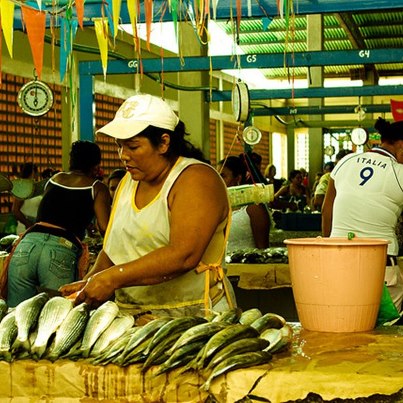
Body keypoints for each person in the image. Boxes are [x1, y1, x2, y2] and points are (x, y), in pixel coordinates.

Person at [60, 94, 236, 318]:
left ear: (163, 142)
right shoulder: (128, 182)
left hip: (196, 317)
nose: (123, 156)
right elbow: (115, 248)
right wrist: (91, 282)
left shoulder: (196, 179)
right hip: (135, 318)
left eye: (133, 147)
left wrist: (113, 277)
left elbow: (183, 254)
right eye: (119, 147)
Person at [6, 141, 111, 307]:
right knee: (55, 316)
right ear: (96, 165)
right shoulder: (97, 187)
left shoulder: (55, 179)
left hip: (27, 246)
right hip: (60, 250)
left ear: (71, 161)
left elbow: (57, 210)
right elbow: (105, 227)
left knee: (16, 315)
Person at [322, 117, 403, 312]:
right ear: (400, 145)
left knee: (343, 324)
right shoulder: (400, 173)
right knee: (385, 333)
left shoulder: (346, 161)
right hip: (381, 269)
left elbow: (326, 211)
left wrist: (328, 248)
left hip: (337, 262)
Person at [218, 156, 270, 253]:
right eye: (217, 175)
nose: (218, 180)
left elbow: (263, 249)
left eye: (223, 176)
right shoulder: (217, 205)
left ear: (238, 178)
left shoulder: (254, 207)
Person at [12, 162, 42, 234]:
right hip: (25, 228)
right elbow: (15, 210)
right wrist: (28, 224)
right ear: (33, 172)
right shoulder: (23, 187)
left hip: (37, 227)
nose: (38, 174)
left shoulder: (37, 187)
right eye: (37, 172)